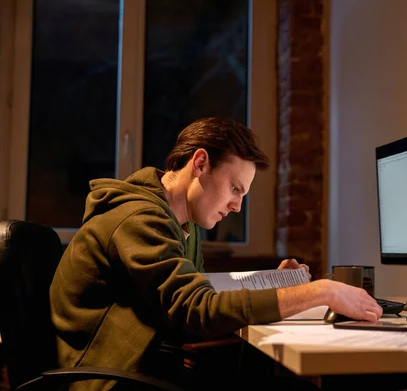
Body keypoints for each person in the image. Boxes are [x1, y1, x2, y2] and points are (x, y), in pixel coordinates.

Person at [49, 117, 382, 390]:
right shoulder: (139, 220)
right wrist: (319, 290)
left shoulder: (182, 225)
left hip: (145, 365)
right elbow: (198, 311)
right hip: (105, 380)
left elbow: (199, 296)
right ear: (201, 163)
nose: (237, 205)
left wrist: (277, 283)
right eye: (235, 188)